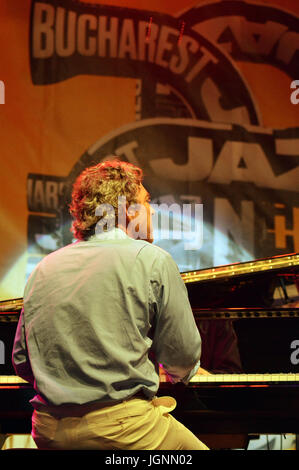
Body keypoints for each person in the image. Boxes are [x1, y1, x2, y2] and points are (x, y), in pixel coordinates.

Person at [12, 159, 208, 450]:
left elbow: (21, 361)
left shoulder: (44, 267)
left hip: (50, 430)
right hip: (122, 431)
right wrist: (185, 371)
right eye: (146, 201)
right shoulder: (151, 259)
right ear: (128, 210)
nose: (152, 211)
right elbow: (182, 355)